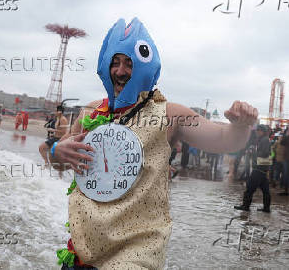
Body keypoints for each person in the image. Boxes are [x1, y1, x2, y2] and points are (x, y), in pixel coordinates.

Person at [49, 18, 257, 269]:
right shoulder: (91, 112)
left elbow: (225, 140)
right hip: (84, 250)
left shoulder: (169, 114)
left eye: (129, 63)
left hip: (136, 253)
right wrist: (56, 151)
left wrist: (241, 124)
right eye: (114, 62)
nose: (121, 71)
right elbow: (58, 163)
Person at [234, 125, 272, 212]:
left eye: (259, 130)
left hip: (259, 168)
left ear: (263, 131)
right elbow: (268, 154)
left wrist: (253, 152)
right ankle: (266, 208)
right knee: (265, 190)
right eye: (257, 130)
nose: (257, 132)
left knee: (250, 188)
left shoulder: (264, 140)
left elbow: (265, 153)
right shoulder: (264, 139)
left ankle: (245, 206)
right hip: (263, 168)